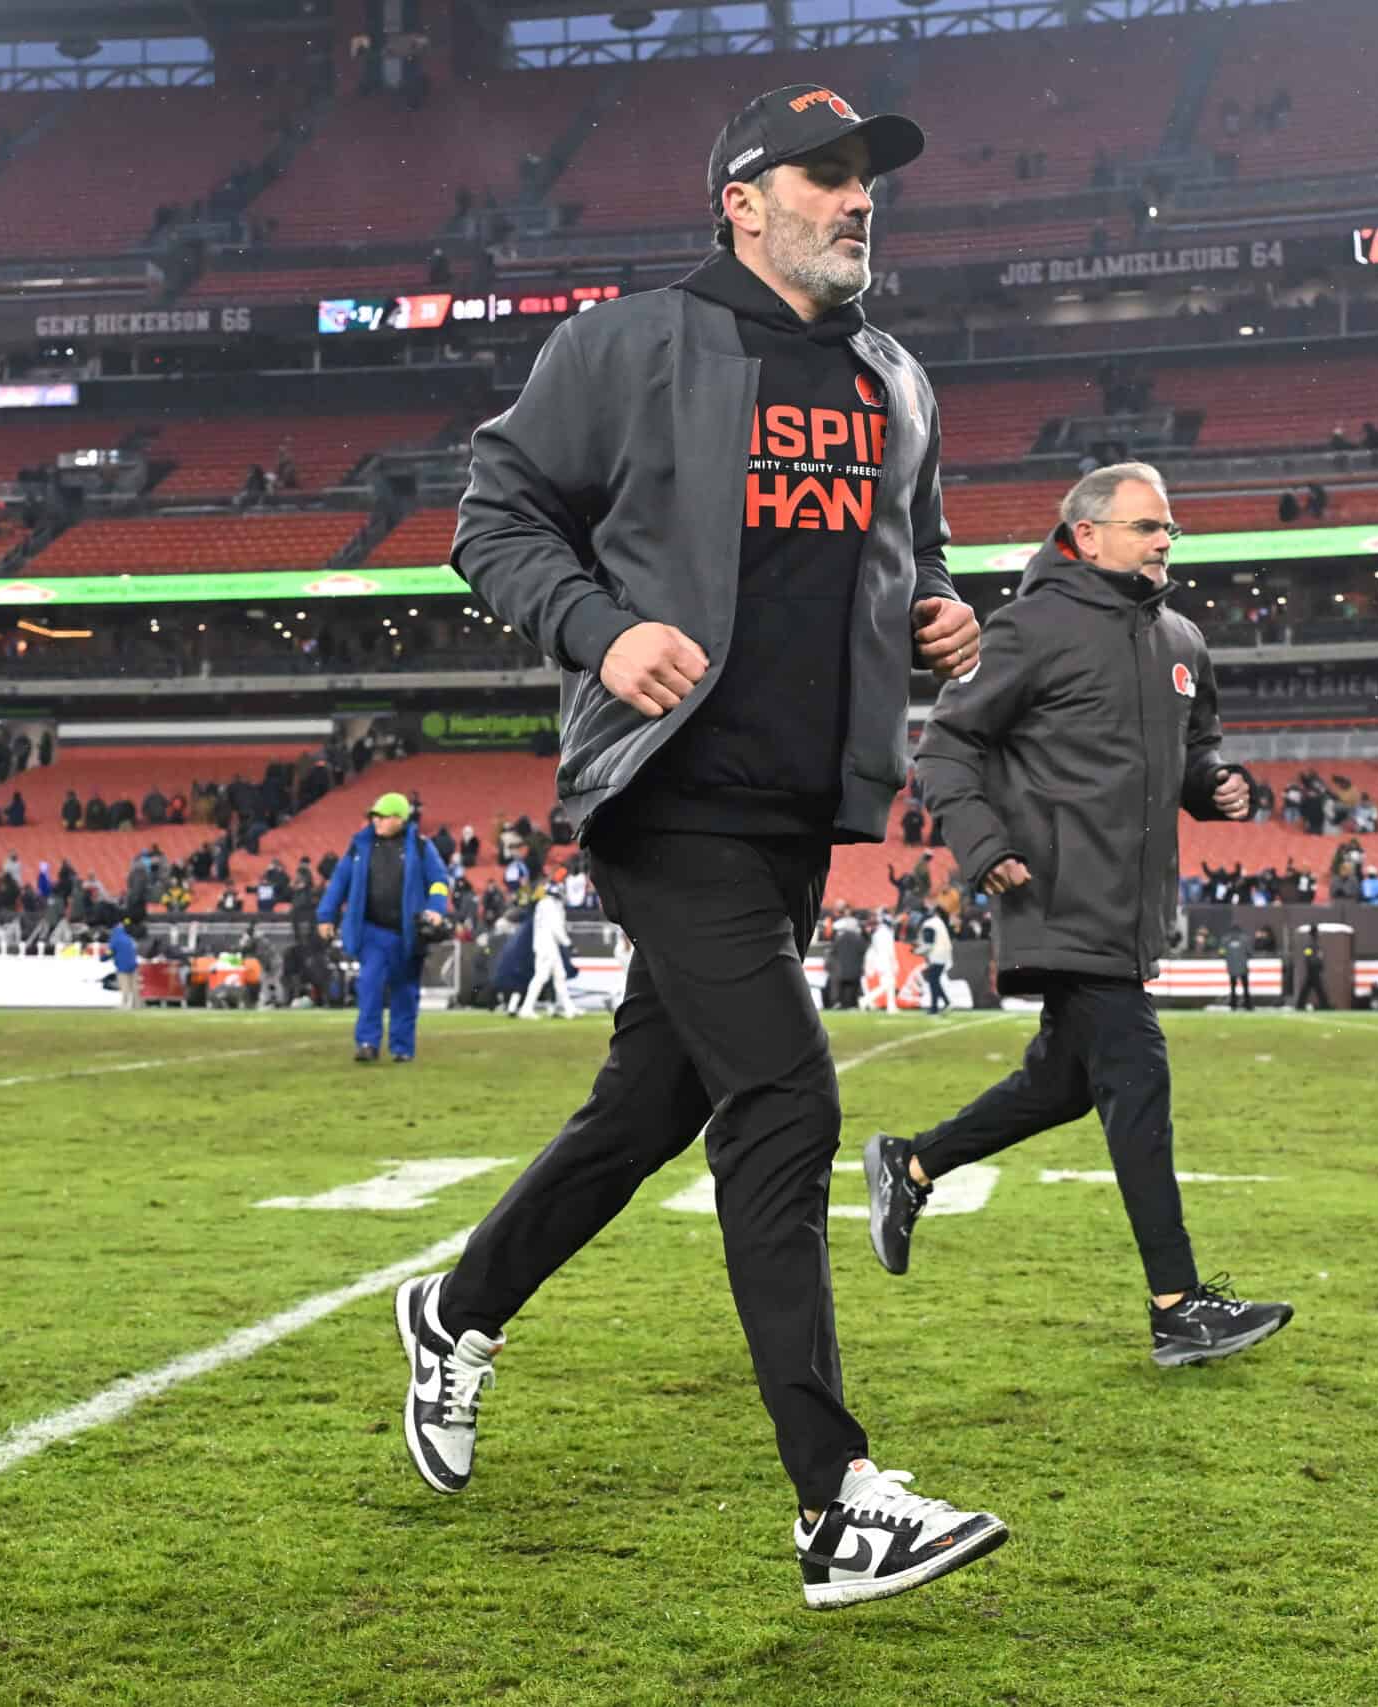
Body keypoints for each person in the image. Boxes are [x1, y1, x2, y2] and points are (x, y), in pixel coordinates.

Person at [404, 82, 1004, 1611]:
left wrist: (939, 619)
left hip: (801, 806)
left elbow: (913, 557)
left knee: (651, 1102)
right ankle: (834, 1499)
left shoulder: (897, 379)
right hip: (666, 794)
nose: (859, 198)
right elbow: (494, 515)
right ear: (741, 197)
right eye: (826, 174)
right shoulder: (622, 343)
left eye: (870, 176)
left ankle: (456, 1309)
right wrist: (602, 633)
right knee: (785, 1099)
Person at [861, 460, 1293, 1371]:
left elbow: (1194, 751)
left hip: (1130, 906)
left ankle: (911, 1165)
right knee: (1136, 1073)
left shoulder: (1182, 639)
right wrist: (983, 847)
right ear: (1086, 536)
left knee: (1062, 1083)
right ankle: (1179, 1306)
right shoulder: (1031, 628)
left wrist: (1215, 789)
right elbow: (945, 747)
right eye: (1145, 526)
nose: (1165, 539)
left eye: (1169, 526)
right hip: (1054, 892)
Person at [318, 792, 454, 1062]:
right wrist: (326, 915)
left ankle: (401, 1048)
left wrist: (436, 909)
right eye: (374, 816)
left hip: (407, 932)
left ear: (399, 819)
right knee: (370, 983)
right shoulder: (360, 846)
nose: (376, 821)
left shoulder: (421, 847)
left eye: (382, 816)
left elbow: (438, 880)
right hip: (372, 930)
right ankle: (367, 1043)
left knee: (405, 990)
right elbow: (339, 882)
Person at [518, 879, 575, 1018]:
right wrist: (568, 943)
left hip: (547, 944)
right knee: (541, 976)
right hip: (547, 945)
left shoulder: (543, 904)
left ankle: (569, 1008)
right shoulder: (550, 905)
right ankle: (526, 1008)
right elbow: (556, 927)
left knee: (559, 975)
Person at [919, 903, 954, 1014]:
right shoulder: (939, 922)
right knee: (933, 980)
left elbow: (929, 944)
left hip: (937, 956)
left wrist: (916, 951)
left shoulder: (929, 924)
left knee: (933, 980)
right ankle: (946, 1002)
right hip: (944, 955)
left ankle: (934, 1007)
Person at [109, 915, 141, 1009]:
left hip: (122, 966)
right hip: (133, 965)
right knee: (134, 986)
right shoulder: (129, 938)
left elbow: (110, 951)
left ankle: (125, 1003)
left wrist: (103, 958)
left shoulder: (115, 938)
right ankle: (137, 1004)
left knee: (125, 986)